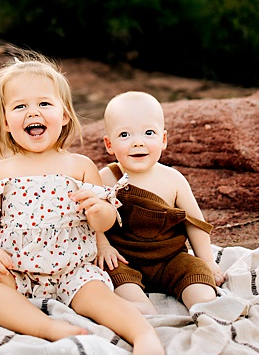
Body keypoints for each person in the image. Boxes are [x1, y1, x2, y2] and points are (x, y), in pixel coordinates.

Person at [0, 55, 167, 355]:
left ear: (64, 116)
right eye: (20, 106)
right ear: (7, 122)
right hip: (17, 270)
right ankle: (45, 327)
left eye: (43, 104)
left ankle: (143, 333)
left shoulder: (79, 165)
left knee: (102, 298)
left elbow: (105, 222)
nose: (33, 112)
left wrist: (97, 211)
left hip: (72, 268)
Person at [95, 90, 225, 315]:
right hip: (123, 259)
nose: (138, 143)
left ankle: (202, 309)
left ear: (163, 139)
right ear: (109, 144)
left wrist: (207, 261)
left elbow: (195, 223)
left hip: (170, 259)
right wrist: (103, 246)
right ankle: (143, 311)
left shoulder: (173, 179)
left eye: (148, 133)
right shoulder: (105, 178)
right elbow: (89, 219)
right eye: (125, 135)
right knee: (114, 279)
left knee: (199, 281)